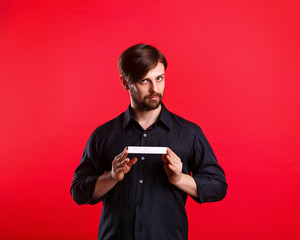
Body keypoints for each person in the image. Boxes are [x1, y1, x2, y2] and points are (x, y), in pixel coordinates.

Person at [70, 43, 227, 240]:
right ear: (125, 82)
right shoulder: (103, 135)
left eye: (159, 78)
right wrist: (111, 177)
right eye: (144, 80)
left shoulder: (189, 133)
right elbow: (78, 192)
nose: (155, 89)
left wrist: (179, 178)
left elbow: (218, 186)